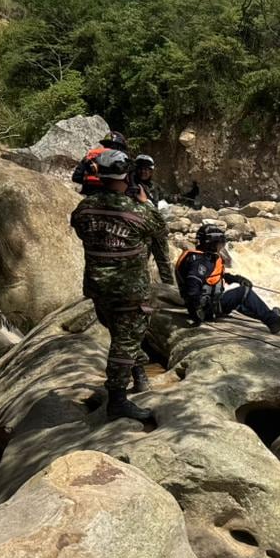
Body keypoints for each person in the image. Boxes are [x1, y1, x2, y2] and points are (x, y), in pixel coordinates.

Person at [69, 149, 174, 421]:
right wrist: (145, 203)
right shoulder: (139, 210)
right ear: (126, 175)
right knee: (125, 342)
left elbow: (80, 228)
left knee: (120, 337)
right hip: (128, 291)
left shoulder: (84, 208)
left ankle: (138, 375)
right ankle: (117, 399)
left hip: (96, 287)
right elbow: (160, 230)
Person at [176, 224, 280, 334]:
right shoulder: (198, 263)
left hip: (210, 304)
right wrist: (197, 313)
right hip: (205, 309)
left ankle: (271, 317)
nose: (221, 247)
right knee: (243, 292)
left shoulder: (205, 257)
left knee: (241, 300)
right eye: (219, 244)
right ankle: (272, 320)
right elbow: (193, 289)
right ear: (211, 244)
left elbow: (212, 276)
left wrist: (236, 279)